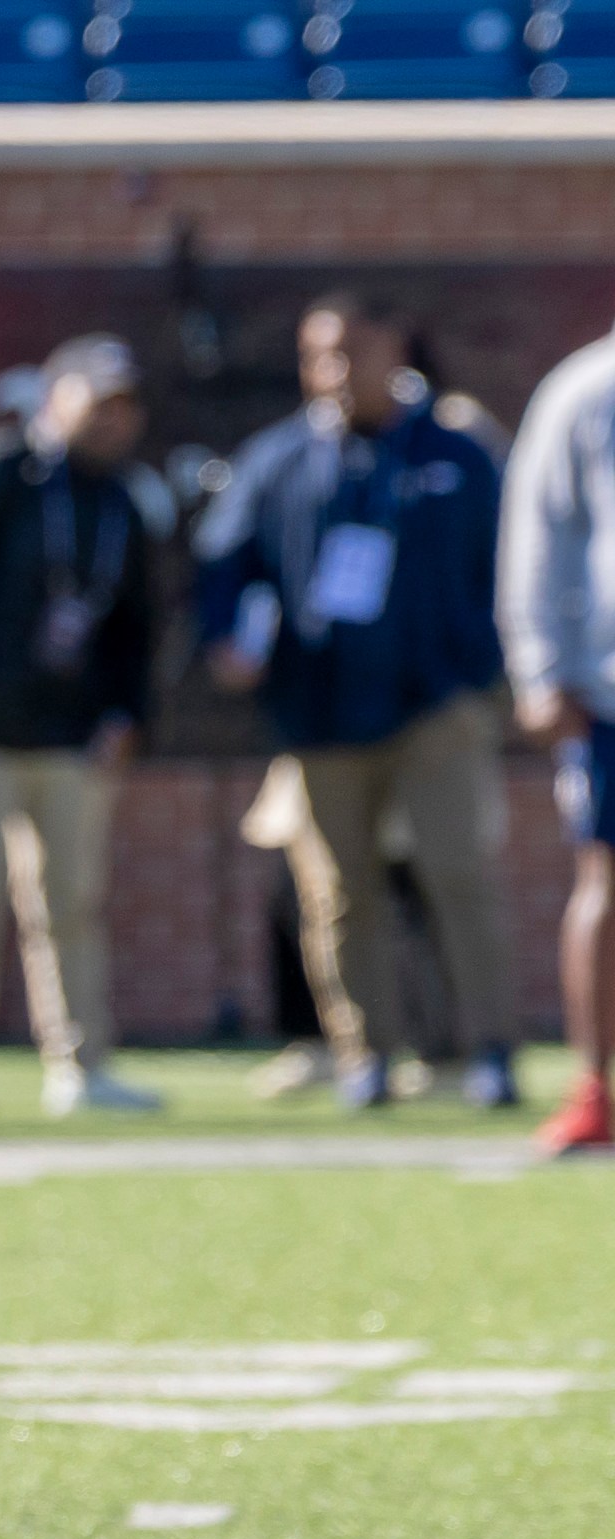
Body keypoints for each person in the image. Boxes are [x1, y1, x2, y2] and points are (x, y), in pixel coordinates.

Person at [197, 292, 517, 1112]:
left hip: (435, 708)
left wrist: (480, 670)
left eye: (352, 352)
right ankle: (364, 1055)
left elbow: (504, 565)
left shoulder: (455, 452)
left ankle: (487, 1051)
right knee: (340, 894)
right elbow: (225, 562)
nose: (334, 372)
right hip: (320, 714)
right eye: (317, 355)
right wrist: (230, 638)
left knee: (458, 876)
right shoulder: (278, 460)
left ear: (396, 351)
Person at [0, 334, 165, 1122]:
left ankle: (81, 1064)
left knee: (71, 901)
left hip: (70, 733)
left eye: (127, 408)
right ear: (57, 398)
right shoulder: (0, 472)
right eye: (99, 403)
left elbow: (140, 622)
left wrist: (128, 712)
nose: (114, 422)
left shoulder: (125, 498)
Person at [498, 320, 615, 1153]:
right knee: (605, 883)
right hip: (610, 690)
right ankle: (594, 1088)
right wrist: (540, 668)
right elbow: (538, 532)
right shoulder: (587, 388)